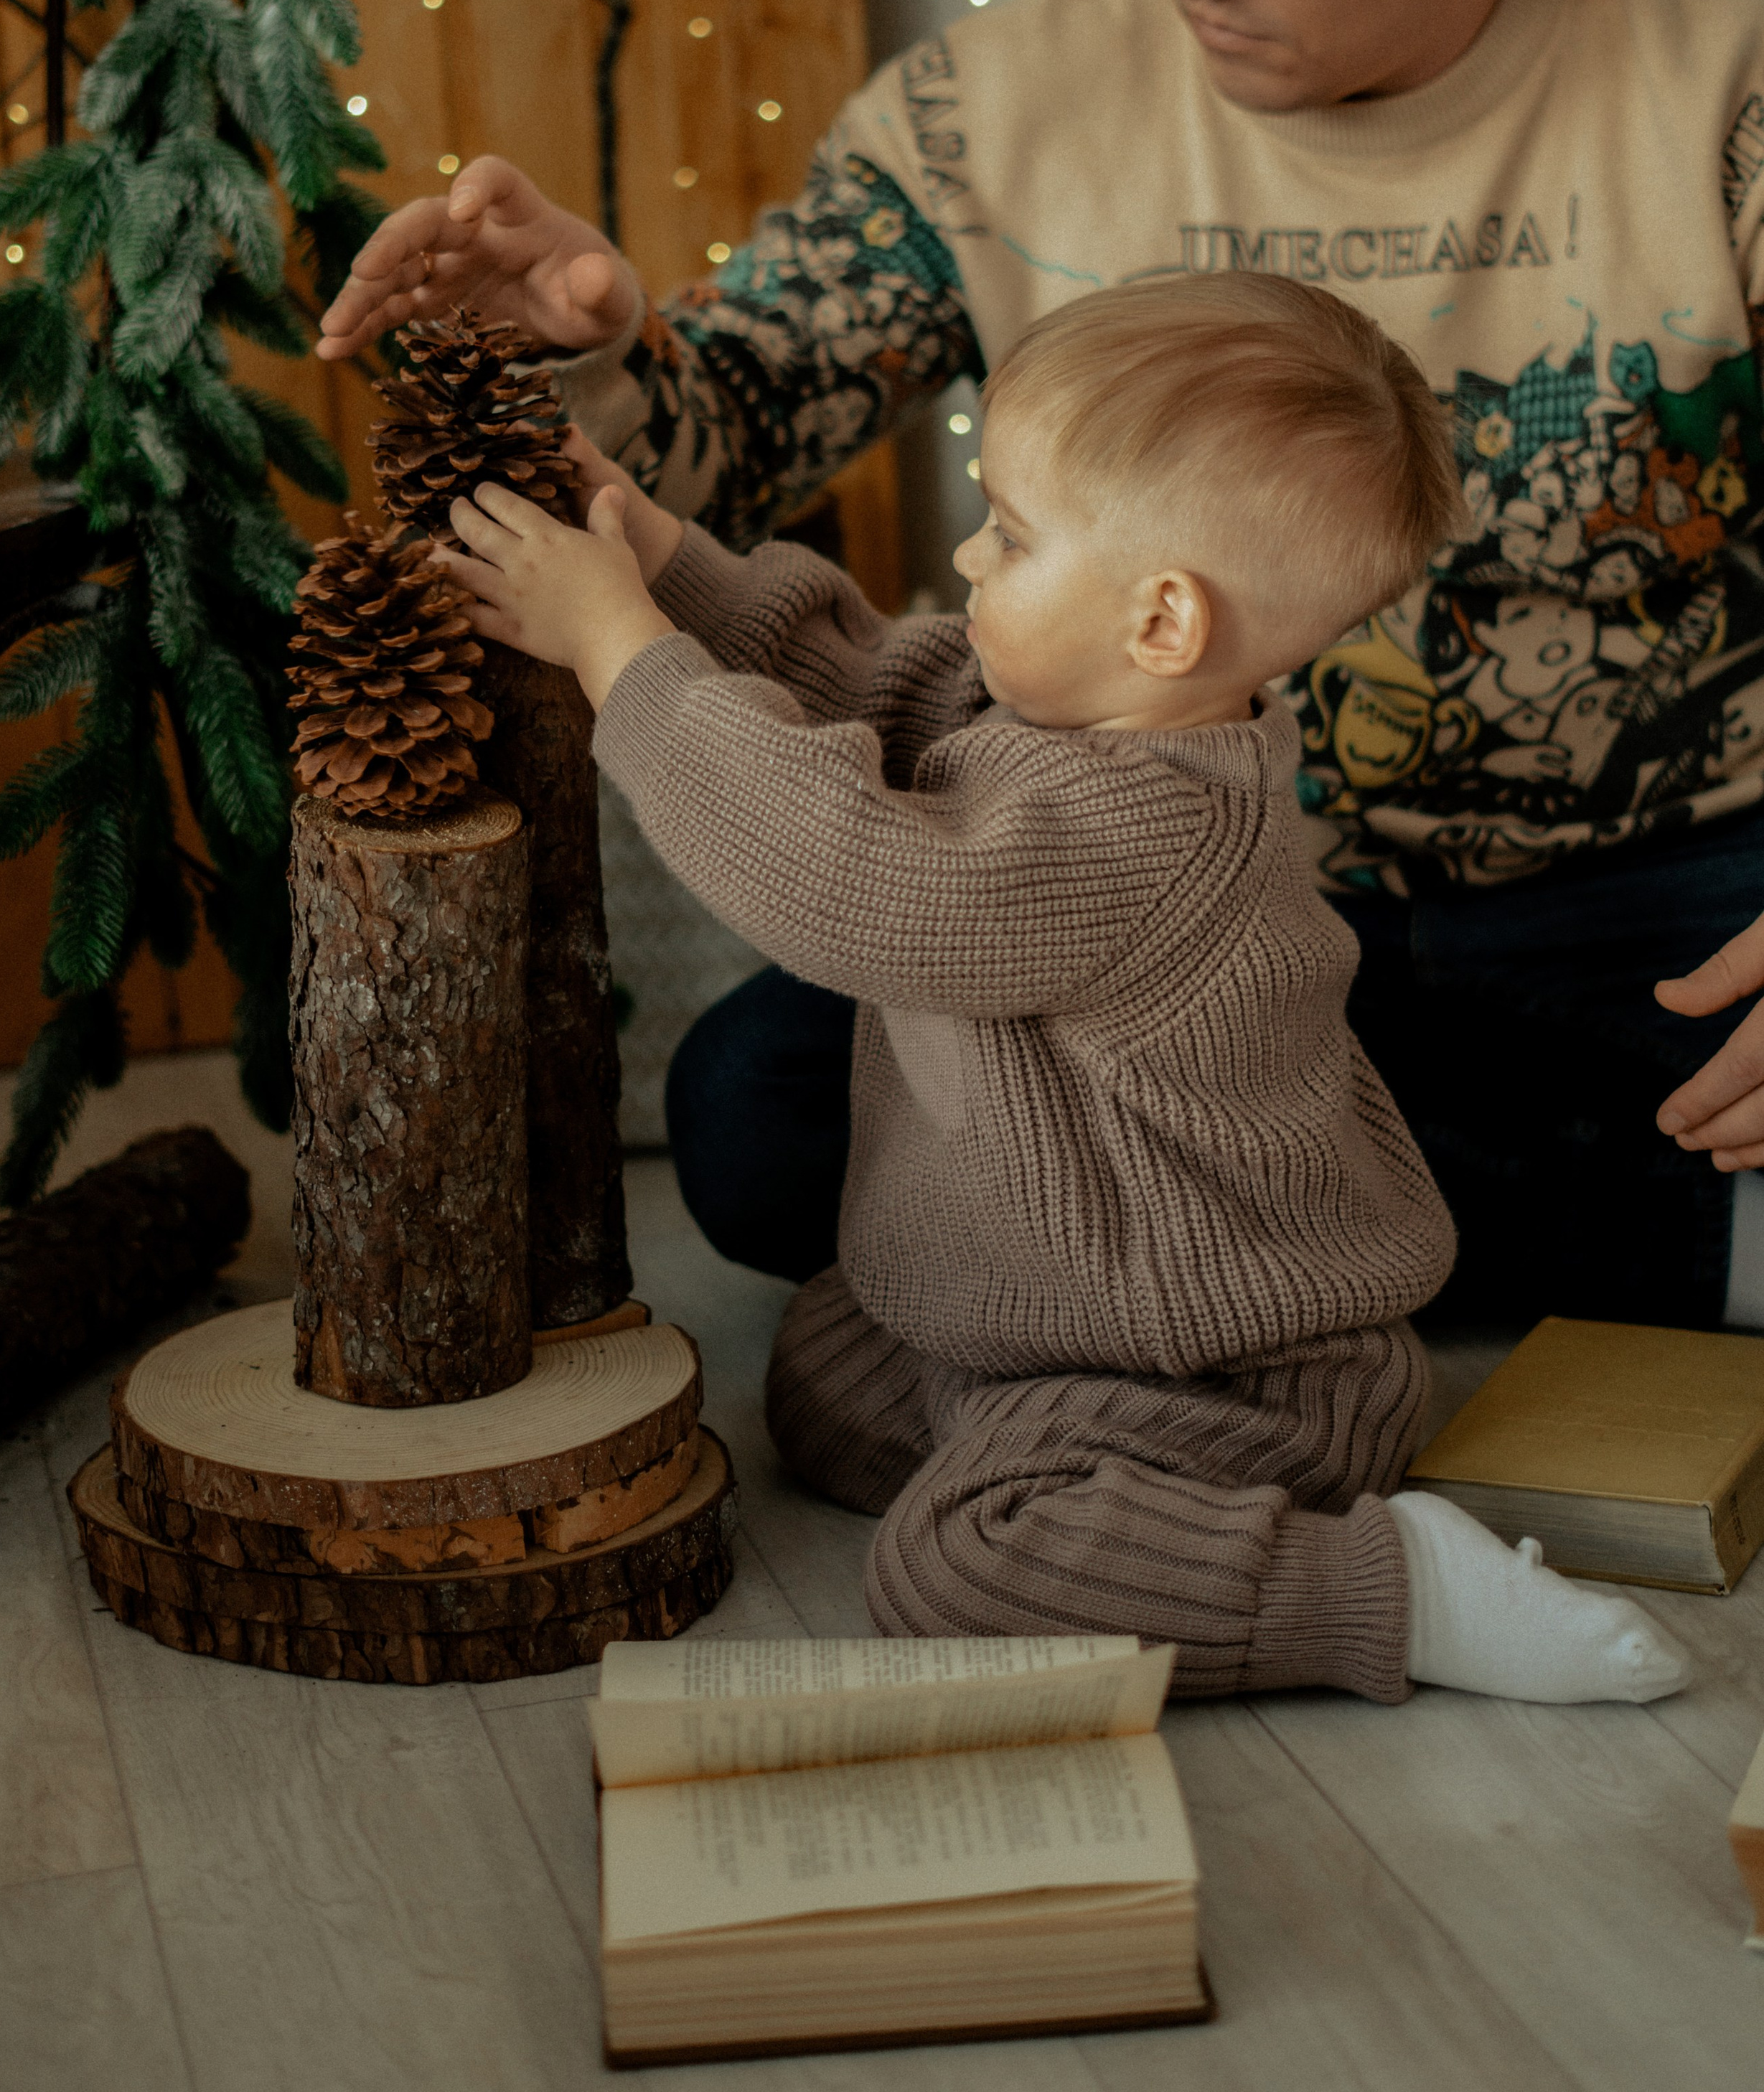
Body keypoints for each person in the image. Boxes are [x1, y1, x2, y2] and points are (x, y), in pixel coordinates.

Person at [317, 0, 1764, 1333]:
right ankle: (1574, 1241)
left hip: (1638, 900)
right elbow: (719, 447)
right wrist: (583, 351)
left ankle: (1240, 1247)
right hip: (1114, 890)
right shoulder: (995, 106)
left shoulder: (1727, 96)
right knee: (755, 1117)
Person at [439, 272, 1684, 1707]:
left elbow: (842, 871)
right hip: (1045, 1311)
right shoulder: (1046, 701)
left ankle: (1388, 1586)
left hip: (1216, 1370)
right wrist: (659, 560)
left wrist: (621, 652)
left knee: (952, 1565)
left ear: (1159, 624)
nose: (969, 558)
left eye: (1013, 537)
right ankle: (1059, 1457)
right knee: (823, 1379)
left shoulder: (1137, 834)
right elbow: (852, 674)